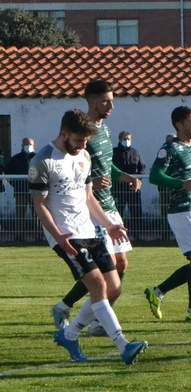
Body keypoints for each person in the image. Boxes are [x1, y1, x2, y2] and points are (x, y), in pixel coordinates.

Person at [32, 109, 147, 365]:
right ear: (64, 134)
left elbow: (88, 197)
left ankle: (69, 334)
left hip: (89, 230)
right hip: (67, 235)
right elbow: (39, 204)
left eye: (86, 141)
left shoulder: (83, 156)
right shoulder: (43, 161)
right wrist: (60, 237)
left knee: (114, 287)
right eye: (79, 141)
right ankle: (123, 345)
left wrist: (109, 224)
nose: (83, 146)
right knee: (97, 286)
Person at [49, 80, 143, 337]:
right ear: (91, 101)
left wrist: (123, 176)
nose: (110, 105)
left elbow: (105, 167)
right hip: (91, 207)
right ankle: (77, 313)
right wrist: (91, 183)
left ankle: (89, 315)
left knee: (121, 264)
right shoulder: (81, 133)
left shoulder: (107, 131)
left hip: (108, 203)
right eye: (105, 101)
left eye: (112, 100)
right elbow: (73, 165)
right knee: (105, 266)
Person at [144, 106, 191, 322]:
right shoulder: (170, 148)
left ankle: (157, 292)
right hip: (181, 210)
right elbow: (155, 175)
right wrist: (180, 184)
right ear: (179, 125)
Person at [112, 130, 146, 238]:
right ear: (120, 140)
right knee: (118, 211)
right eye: (124, 139)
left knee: (136, 212)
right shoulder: (114, 153)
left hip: (133, 189)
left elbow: (142, 167)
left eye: (128, 139)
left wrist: (138, 179)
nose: (126, 141)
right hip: (118, 188)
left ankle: (137, 235)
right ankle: (118, 233)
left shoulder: (135, 152)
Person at [7, 137, 37, 240]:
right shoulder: (16, 159)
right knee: (20, 215)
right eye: (26, 145)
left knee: (37, 215)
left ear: (34, 146)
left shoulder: (38, 158)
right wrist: (16, 184)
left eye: (30, 145)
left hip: (35, 192)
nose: (28, 147)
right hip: (20, 192)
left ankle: (38, 236)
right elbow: (8, 174)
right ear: (22, 145)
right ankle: (19, 236)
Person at [158, 133, 178, 240]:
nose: (171, 141)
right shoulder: (162, 153)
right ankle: (165, 236)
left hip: (177, 189)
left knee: (178, 213)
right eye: (169, 140)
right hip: (164, 189)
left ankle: (177, 236)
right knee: (165, 214)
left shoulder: (178, 153)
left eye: (173, 139)